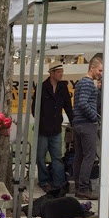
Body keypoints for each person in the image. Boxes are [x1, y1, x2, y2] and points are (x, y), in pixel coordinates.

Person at [32, 63, 73, 193]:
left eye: (62, 71)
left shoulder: (63, 87)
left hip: (56, 127)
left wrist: (73, 121)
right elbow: (35, 108)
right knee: (40, 157)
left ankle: (58, 182)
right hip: (43, 128)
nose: (61, 74)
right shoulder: (42, 87)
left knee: (57, 157)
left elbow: (67, 105)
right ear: (51, 73)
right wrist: (40, 121)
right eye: (58, 72)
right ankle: (43, 181)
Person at [72, 56, 103, 200]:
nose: (100, 73)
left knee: (79, 156)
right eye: (100, 70)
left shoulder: (81, 83)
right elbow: (83, 103)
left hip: (78, 123)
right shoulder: (88, 83)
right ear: (92, 68)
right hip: (86, 124)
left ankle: (79, 186)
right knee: (89, 157)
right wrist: (94, 117)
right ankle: (83, 188)